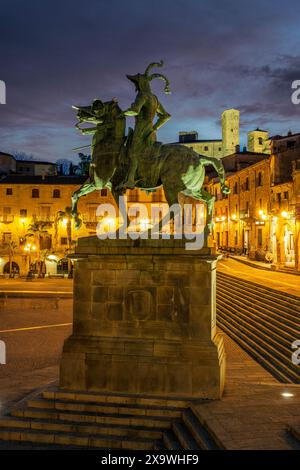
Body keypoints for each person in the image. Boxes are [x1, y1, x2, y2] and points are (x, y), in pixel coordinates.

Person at [120, 61, 171, 189]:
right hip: (151, 132)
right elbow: (166, 115)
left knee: (133, 153)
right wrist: (154, 128)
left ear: (140, 83)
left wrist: (122, 113)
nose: (135, 86)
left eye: (136, 83)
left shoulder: (142, 95)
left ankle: (131, 179)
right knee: (147, 154)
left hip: (141, 130)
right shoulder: (154, 98)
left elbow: (135, 110)